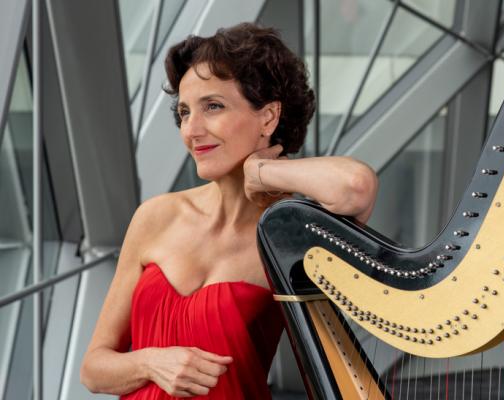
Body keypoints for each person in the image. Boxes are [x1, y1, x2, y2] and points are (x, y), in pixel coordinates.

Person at [79, 22, 378, 399]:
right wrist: (151, 362)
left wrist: (262, 171)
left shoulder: (290, 234)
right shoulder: (156, 217)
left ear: (268, 118)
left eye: (213, 106)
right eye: (185, 112)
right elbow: (94, 368)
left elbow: (355, 187)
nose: (192, 129)